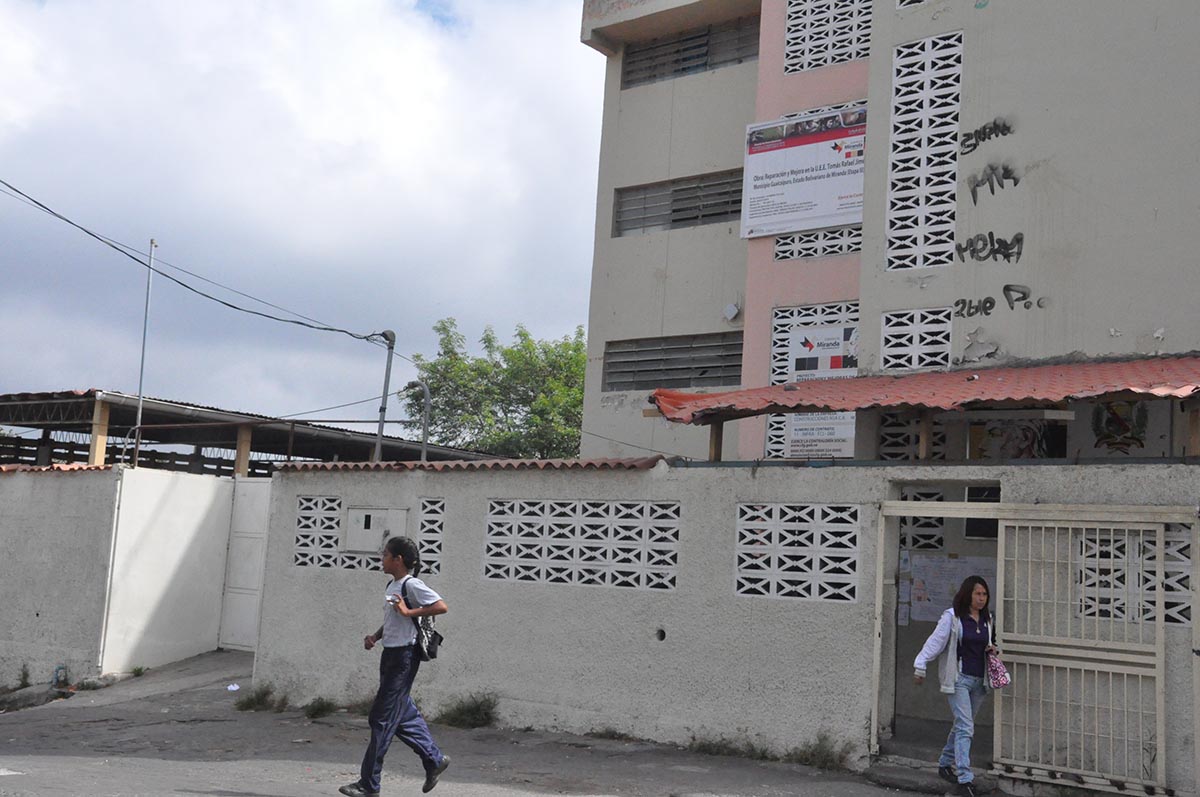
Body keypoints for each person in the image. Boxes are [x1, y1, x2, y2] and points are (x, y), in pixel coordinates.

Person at [340, 537, 450, 797]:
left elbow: (440, 606)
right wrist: (376, 637)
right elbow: (393, 618)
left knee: (380, 718)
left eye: (386, 554)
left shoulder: (412, 584)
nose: (382, 558)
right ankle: (434, 759)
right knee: (402, 713)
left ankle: (369, 784)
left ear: (398, 559)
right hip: (390, 655)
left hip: (404, 658)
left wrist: (408, 613)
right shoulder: (393, 585)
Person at [913, 575, 998, 797]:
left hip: (980, 680)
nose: (981, 598)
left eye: (985, 594)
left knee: (962, 725)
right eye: (977, 594)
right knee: (965, 727)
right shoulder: (952, 618)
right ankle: (964, 779)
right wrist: (920, 665)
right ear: (967, 594)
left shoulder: (988, 619)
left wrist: (992, 650)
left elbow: (989, 643)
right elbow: (935, 642)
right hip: (959, 678)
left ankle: (944, 763)